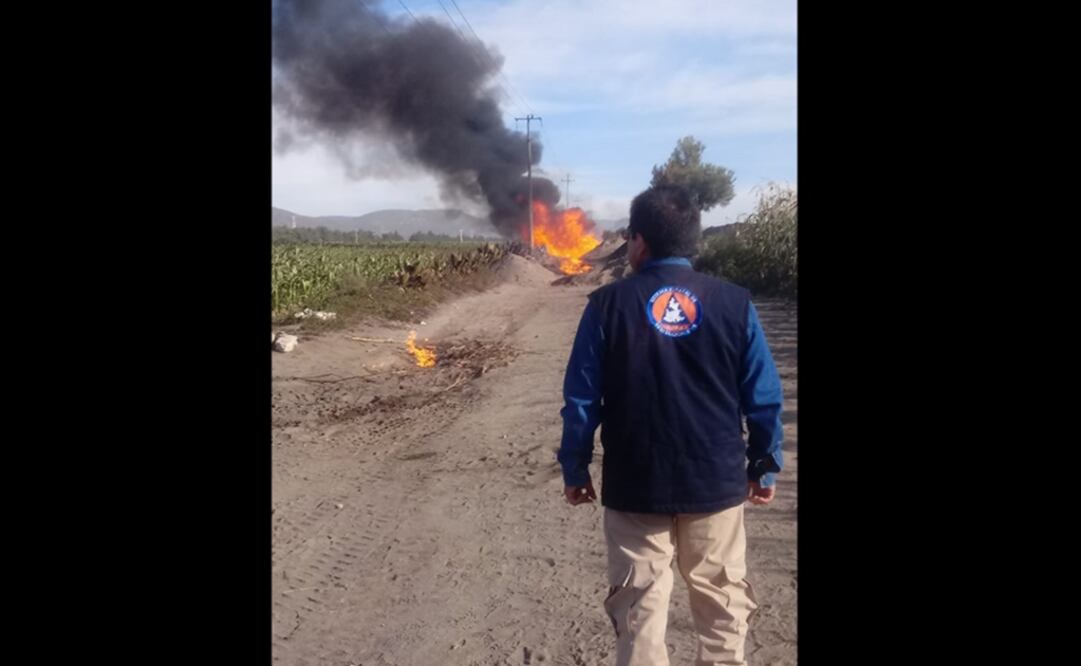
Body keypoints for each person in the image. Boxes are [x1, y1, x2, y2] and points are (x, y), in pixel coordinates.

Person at [557, 184, 784, 666]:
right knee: (722, 607)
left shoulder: (606, 306)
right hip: (716, 483)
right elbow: (763, 396)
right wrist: (764, 465)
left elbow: (581, 399)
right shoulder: (734, 303)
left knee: (639, 612)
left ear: (639, 241)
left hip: (636, 485)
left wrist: (575, 468)